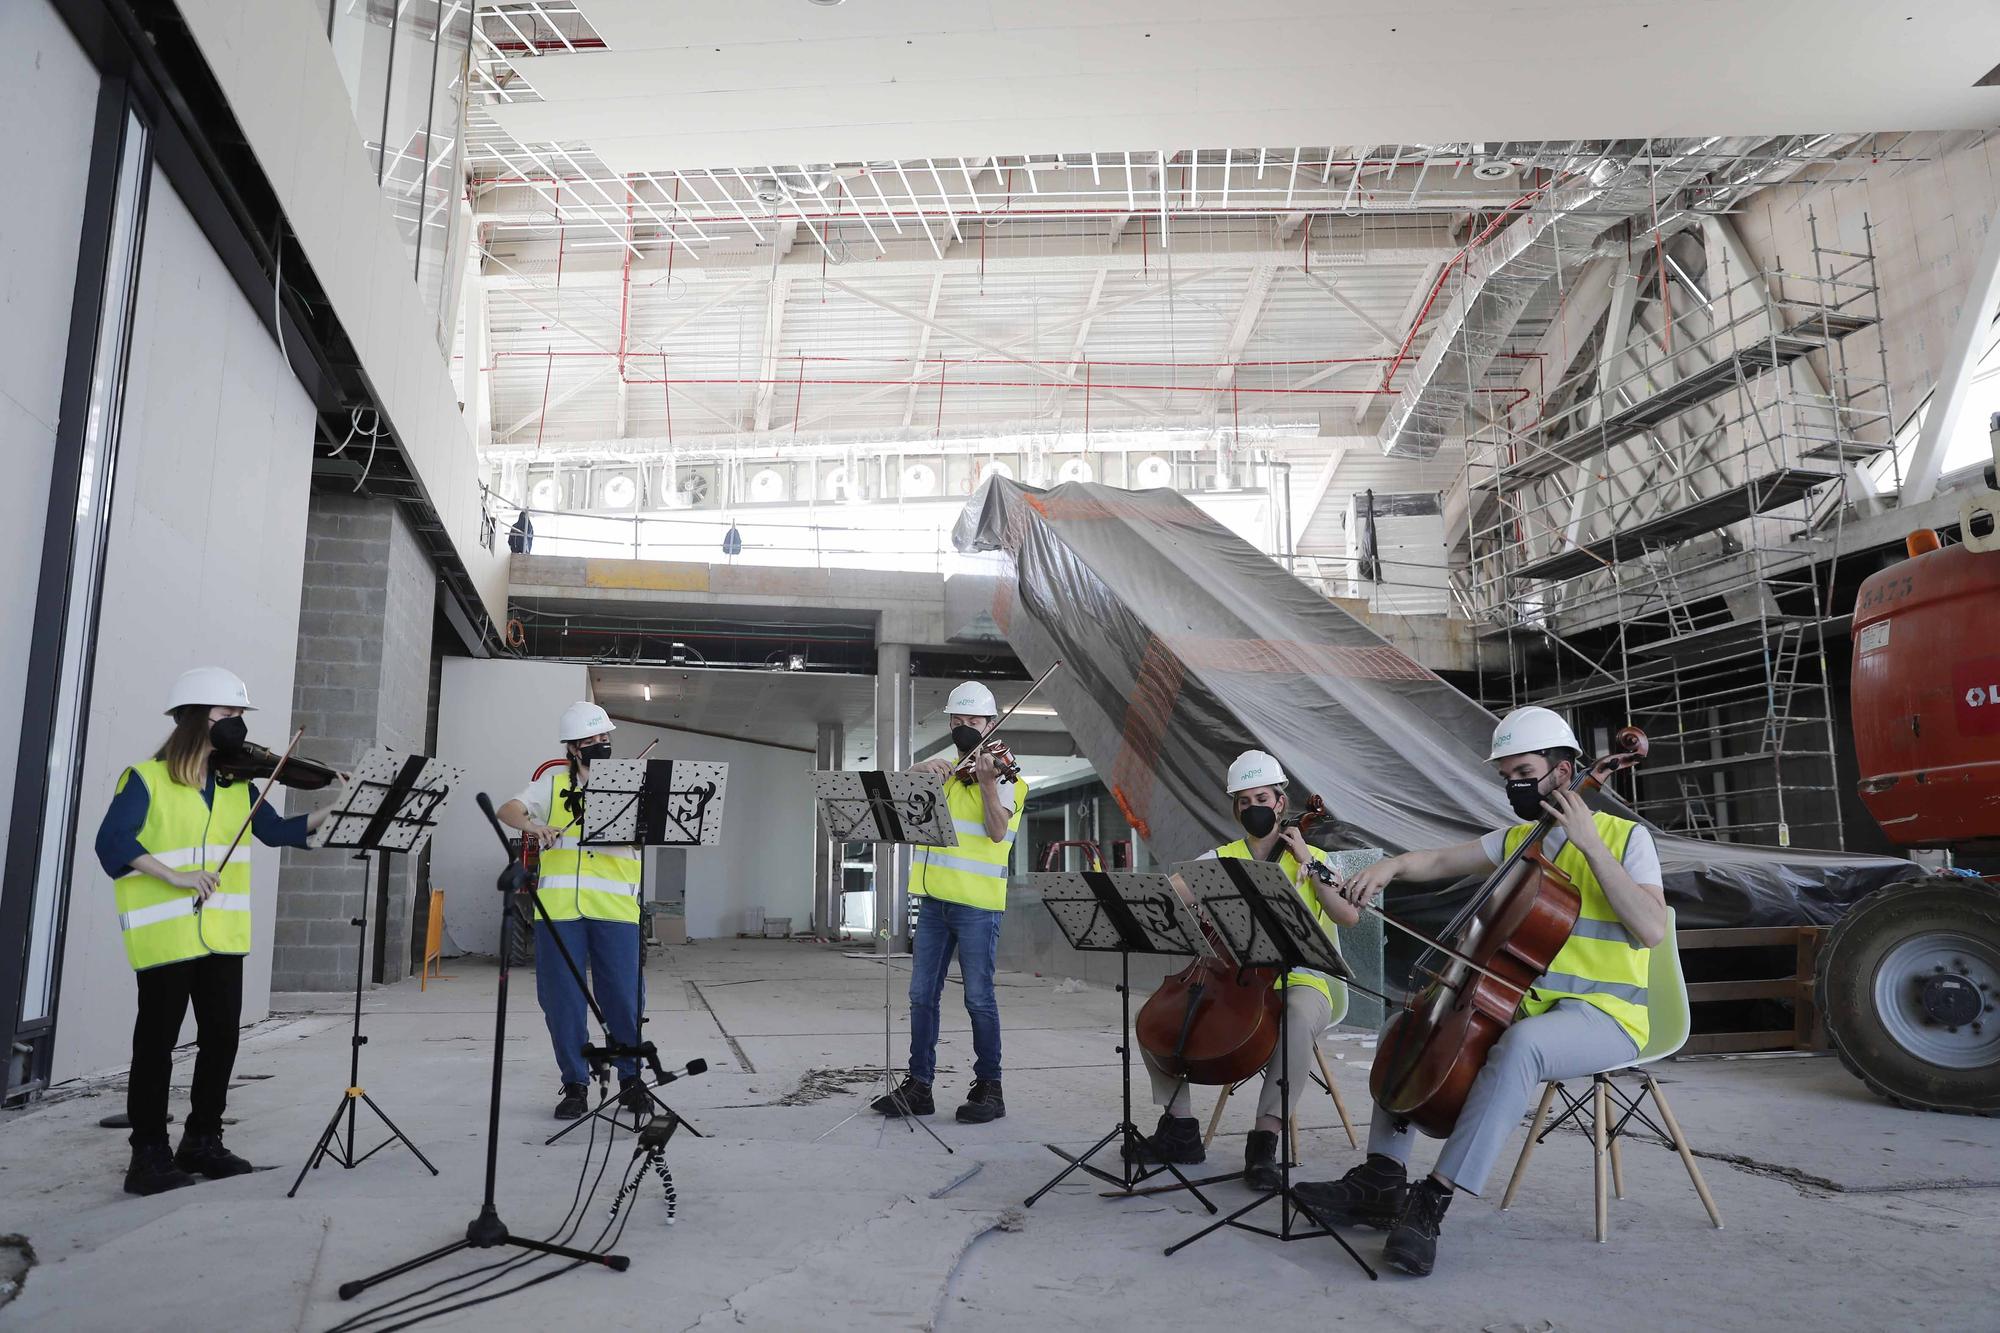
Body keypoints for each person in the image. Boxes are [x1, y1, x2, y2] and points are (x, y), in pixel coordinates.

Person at [1294, 706, 1667, 1278]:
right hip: (1523, 1004)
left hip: (1604, 1015)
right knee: (1405, 1027)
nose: (1514, 786)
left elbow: (1651, 929)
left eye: (1524, 771)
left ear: (1564, 772)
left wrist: (1591, 845)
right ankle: (1382, 1180)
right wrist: (1391, 867)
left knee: (1524, 1048)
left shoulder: (1626, 838)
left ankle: (1434, 1199)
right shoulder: (1522, 840)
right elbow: (1443, 859)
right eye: (1506, 777)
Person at [95, 667, 329, 1196]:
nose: (239, 726)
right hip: (166, 935)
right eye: (230, 715)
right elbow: (113, 844)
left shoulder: (235, 784)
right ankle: (148, 1156)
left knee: (221, 1040)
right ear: (198, 719)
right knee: (155, 1045)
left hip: (221, 935)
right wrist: (175, 876)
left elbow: (275, 832)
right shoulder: (146, 778)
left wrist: (337, 809)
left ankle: (202, 1140)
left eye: (241, 716)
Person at [1125, 750, 1360, 1191]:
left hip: (1303, 977)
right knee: (1158, 1018)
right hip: (1234, 974)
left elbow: (1347, 915)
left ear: (1279, 802)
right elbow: (1172, 895)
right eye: (1244, 800)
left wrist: (1309, 863)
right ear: (1236, 807)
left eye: (1262, 798)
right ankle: (1180, 1130)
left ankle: (1264, 1141)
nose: (1254, 807)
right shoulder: (1224, 855)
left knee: (1295, 1019)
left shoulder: (1314, 857)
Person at [872, 681, 1026, 1125]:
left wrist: (986, 783)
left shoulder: (1008, 779)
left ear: (990, 724)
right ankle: (919, 1085)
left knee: (978, 999)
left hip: (977, 907)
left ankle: (989, 1089)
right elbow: (895, 806)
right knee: (922, 996)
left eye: (972, 721)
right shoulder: (945, 777)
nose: (963, 727)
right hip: (933, 903)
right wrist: (919, 768)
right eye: (956, 721)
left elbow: (998, 832)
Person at [496, 701, 649, 1120]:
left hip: (616, 908)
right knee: (562, 1000)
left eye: (605, 738)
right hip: (559, 911)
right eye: (592, 740)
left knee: (623, 997)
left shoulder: (631, 784)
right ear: (574, 747)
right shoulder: (550, 783)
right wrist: (534, 826)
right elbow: (508, 809)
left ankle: (631, 1078)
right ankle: (575, 1083)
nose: (601, 744)